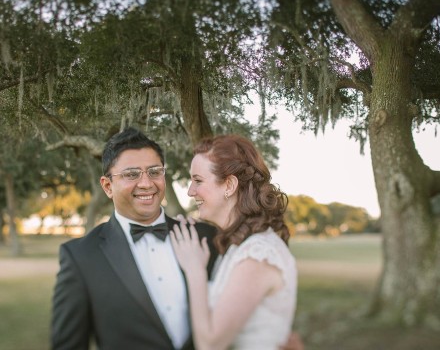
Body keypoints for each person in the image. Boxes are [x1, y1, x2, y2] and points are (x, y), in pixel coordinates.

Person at [51, 127, 218, 350]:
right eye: (131, 174)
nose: (147, 183)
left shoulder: (204, 236)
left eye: (154, 171)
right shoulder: (80, 257)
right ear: (108, 186)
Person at [170, 134, 298, 350]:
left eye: (198, 181)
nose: (191, 191)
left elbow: (210, 343)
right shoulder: (237, 246)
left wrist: (195, 270)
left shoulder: (258, 254)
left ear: (229, 185)